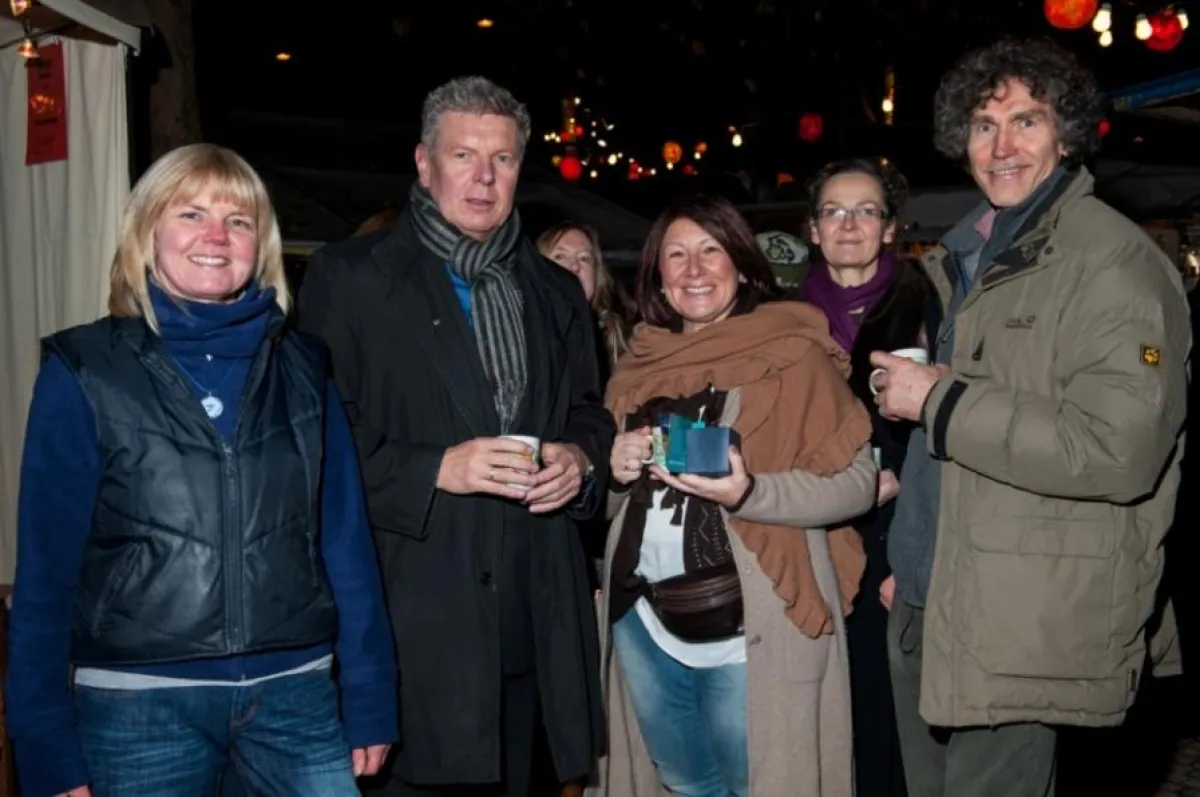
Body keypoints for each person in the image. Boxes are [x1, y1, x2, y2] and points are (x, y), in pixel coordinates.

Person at [4, 143, 398, 797]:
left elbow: (346, 545)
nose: (216, 236)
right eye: (190, 214)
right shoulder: (85, 371)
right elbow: (46, 571)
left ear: (260, 245)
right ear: (146, 232)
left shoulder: (305, 370)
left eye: (238, 220)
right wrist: (42, 743)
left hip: (295, 696)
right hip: (137, 708)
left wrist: (371, 690)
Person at [870, 36, 1190, 797]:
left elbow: (1119, 449)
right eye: (984, 125)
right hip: (931, 594)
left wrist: (939, 400)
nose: (1002, 146)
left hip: (1023, 614)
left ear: (1066, 134)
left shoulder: (1111, 261)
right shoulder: (974, 253)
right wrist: (909, 563)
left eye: (1026, 121)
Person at [297, 76, 614, 796]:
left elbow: (589, 412)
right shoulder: (349, 278)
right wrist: (435, 468)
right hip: (417, 622)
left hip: (537, 618)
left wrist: (580, 459)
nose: (483, 178)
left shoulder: (555, 290)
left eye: (502, 159)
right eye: (463, 155)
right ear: (423, 162)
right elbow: (317, 443)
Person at [592, 194, 877, 797]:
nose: (694, 269)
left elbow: (857, 484)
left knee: (756, 783)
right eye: (676, 255)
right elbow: (613, 508)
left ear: (743, 267)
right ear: (658, 277)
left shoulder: (793, 355)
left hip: (747, 625)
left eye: (711, 251)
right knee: (684, 783)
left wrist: (751, 492)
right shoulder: (638, 366)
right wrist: (614, 473)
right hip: (644, 623)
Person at [804, 157, 940, 797]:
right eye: (833, 211)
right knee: (826, 711)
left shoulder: (927, 304)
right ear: (813, 229)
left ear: (889, 228)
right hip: (813, 533)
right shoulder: (786, 320)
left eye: (866, 211)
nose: (849, 224)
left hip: (900, 532)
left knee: (892, 715)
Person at [536, 220, 632, 379]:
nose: (574, 266)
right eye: (560, 256)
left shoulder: (616, 343)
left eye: (584, 258)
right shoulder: (519, 334)